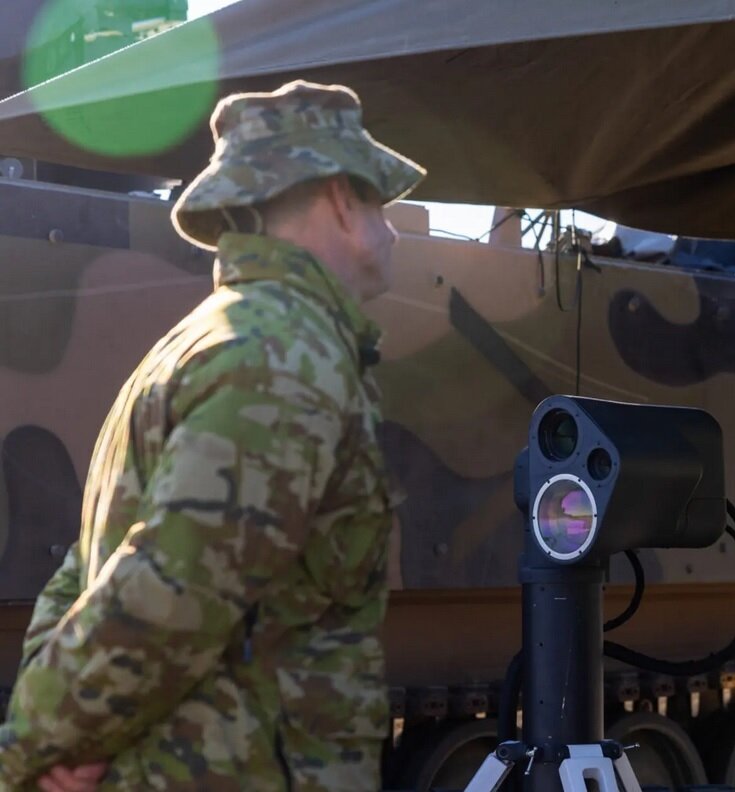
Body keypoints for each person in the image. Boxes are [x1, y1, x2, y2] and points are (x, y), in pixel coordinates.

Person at [0, 79, 424, 791]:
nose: (392, 229)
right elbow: (167, 592)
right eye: (382, 202)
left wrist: (59, 737)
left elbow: (85, 570)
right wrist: (32, 754)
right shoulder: (282, 357)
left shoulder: (203, 341)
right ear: (343, 201)